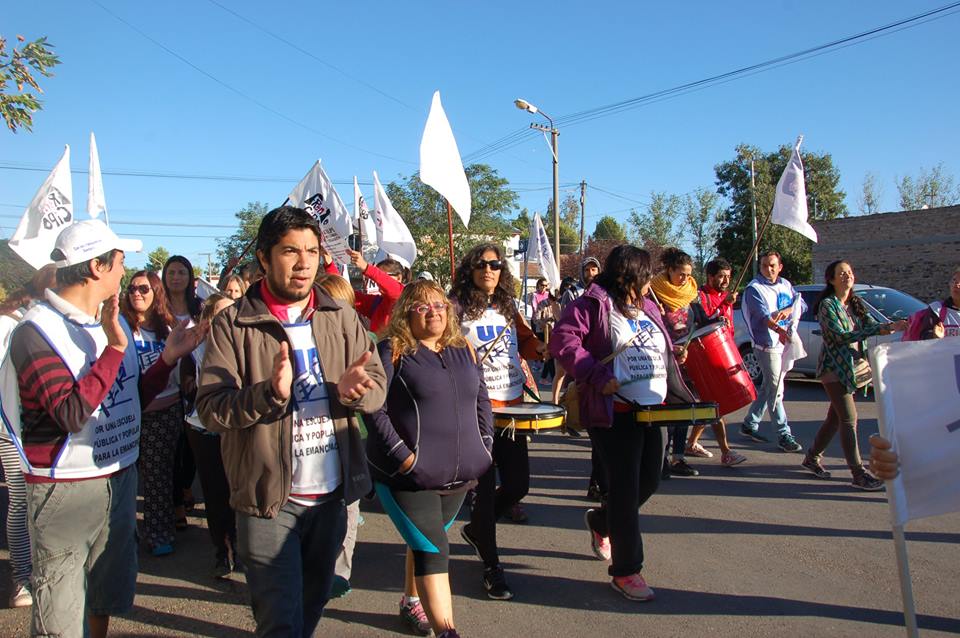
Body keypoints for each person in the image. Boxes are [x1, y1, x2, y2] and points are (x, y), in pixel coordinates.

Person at [0, 219, 203, 638]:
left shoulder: (109, 321)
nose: (125, 275)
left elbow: (129, 399)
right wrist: (113, 350)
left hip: (119, 477)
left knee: (103, 596)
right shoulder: (36, 332)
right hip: (65, 488)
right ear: (96, 267)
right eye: (119, 264)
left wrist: (165, 359)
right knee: (60, 614)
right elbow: (70, 414)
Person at [196, 206, 386, 637]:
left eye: (312, 251)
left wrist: (356, 392)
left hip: (333, 497)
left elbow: (375, 385)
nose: (304, 263)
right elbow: (211, 409)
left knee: (312, 605)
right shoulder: (234, 322)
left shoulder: (340, 315)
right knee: (279, 620)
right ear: (264, 258)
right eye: (289, 252)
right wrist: (269, 394)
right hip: (269, 501)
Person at [551, 244, 698, 601]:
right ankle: (627, 570)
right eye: (646, 275)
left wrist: (673, 350)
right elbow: (563, 340)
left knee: (648, 482)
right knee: (626, 489)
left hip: (653, 411)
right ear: (628, 275)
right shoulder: (592, 305)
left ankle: (602, 522)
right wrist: (596, 374)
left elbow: (656, 343)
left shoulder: (648, 307)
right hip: (614, 414)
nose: (651, 282)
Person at [368, 280, 493, 638]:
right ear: (406, 311)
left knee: (424, 539)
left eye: (439, 305)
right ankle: (447, 632)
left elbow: (481, 399)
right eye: (423, 306)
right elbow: (373, 409)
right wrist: (403, 458)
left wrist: (484, 444)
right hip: (406, 477)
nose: (434, 312)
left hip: (458, 475)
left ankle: (412, 601)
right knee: (434, 548)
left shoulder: (463, 348)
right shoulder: (391, 350)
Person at [450, 242, 546, 601]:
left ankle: (476, 530)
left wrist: (541, 347)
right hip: (476, 410)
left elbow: (525, 341)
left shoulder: (507, 306)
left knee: (519, 485)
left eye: (494, 264)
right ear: (470, 270)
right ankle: (492, 567)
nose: (488, 270)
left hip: (513, 407)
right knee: (485, 493)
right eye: (481, 265)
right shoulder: (456, 307)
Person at [801, 261, 907, 490]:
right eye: (841, 274)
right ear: (831, 280)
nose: (847, 276)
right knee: (849, 419)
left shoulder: (854, 303)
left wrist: (892, 326)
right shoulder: (827, 306)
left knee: (835, 419)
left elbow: (870, 324)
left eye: (849, 272)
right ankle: (858, 473)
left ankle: (811, 457)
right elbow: (840, 337)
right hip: (833, 369)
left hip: (851, 369)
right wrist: (880, 329)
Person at [0, 264, 57, 608]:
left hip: (52, 429)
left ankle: (47, 572)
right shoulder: (10, 323)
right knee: (22, 503)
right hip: (12, 430)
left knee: (48, 505)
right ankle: (22, 578)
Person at [120, 270, 184, 556]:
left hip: (166, 412)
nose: (136, 293)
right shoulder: (121, 328)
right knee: (125, 478)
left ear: (155, 292)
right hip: (132, 414)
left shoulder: (168, 329)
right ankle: (123, 534)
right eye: (132, 288)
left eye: (144, 289)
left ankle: (159, 533)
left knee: (159, 477)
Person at [314, 272, 365, 598]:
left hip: (349, 437)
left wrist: (355, 392)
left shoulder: (363, 338)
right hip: (311, 440)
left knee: (349, 508)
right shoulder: (301, 337)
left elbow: (375, 393)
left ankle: (339, 572)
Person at [181, 292, 239, 578]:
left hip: (238, 430)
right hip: (204, 430)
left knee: (239, 492)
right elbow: (187, 387)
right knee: (217, 495)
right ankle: (223, 551)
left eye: (233, 312)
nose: (227, 318)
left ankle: (243, 548)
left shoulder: (246, 344)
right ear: (209, 318)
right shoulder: (195, 349)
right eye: (220, 313)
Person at [683, 257, 748, 467]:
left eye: (728, 276)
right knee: (714, 404)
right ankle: (725, 451)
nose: (725, 281)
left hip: (723, 353)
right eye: (720, 276)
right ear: (710, 277)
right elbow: (702, 323)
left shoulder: (727, 296)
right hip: (702, 356)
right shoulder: (698, 297)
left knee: (710, 404)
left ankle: (691, 443)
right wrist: (723, 306)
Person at [739, 251, 803, 452]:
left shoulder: (785, 284)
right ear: (760, 267)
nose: (769, 269)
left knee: (768, 387)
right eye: (765, 265)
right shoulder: (754, 289)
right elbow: (762, 316)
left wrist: (789, 311)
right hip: (767, 346)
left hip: (784, 342)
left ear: (780, 266)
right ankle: (784, 434)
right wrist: (778, 329)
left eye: (773, 265)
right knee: (776, 390)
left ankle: (750, 423)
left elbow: (801, 304)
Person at [649, 248, 701, 477]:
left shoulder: (692, 292)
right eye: (681, 274)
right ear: (669, 270)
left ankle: (678, 457)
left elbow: (699, 319)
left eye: (688, 274)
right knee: (666, 412)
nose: (685, 279)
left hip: (687, 359)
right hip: (662, 359)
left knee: (684, 408)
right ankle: (661, 459)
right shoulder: (652, 292)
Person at [162, 255, 202, 527]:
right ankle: (176, 503)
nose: (176, 277)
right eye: (172, 272)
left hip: (193, 384)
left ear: (190, 278)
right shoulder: (156, 309)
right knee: (171, 448)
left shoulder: (198, 308)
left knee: (191, 447)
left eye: (182, 272)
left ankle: (187, 486)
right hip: (163, 386)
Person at [322, 248, 404, 334]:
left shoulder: (404, 298)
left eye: (383, 275)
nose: (377, 281)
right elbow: (345, 293)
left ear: (399, 278)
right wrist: (329, 264)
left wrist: (366, 267)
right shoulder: (376, 302)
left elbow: (395, 290)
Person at [928, 266, 960, 337]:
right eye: (954, 280)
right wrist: (933, 336)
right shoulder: (936, 309)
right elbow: (921, 337)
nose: (956, 284)